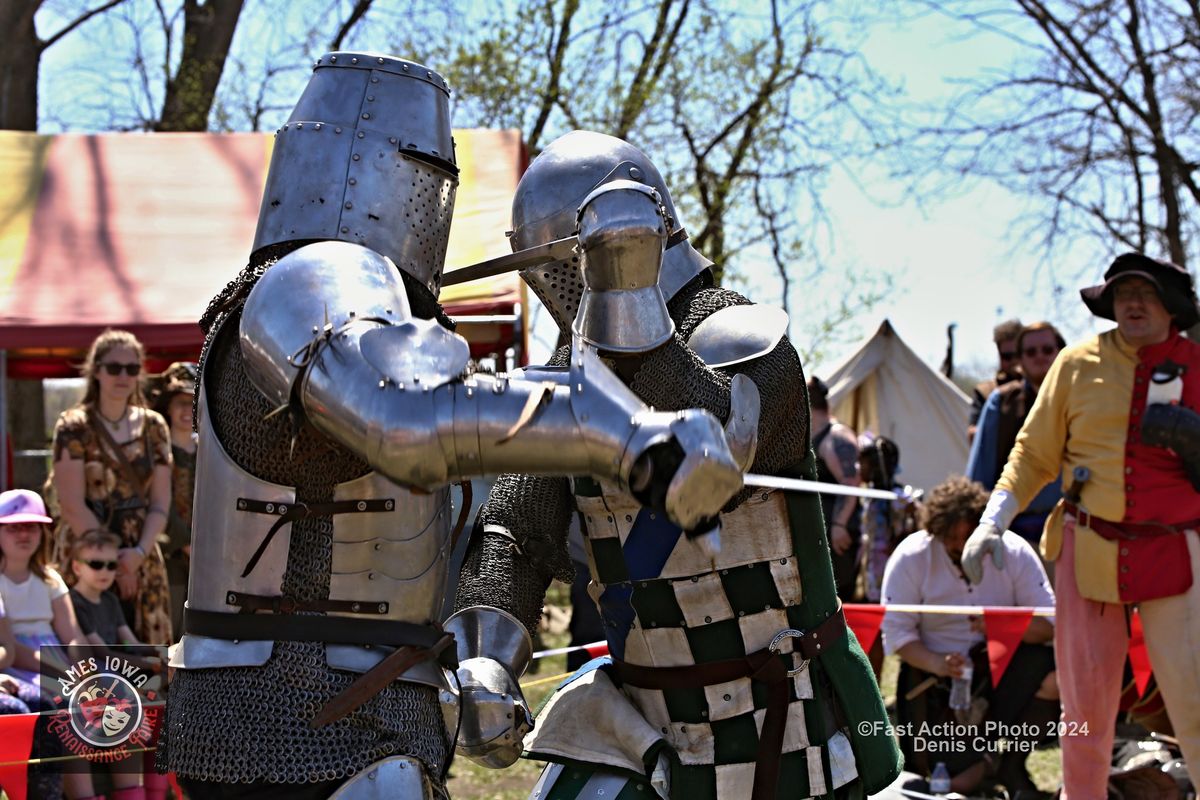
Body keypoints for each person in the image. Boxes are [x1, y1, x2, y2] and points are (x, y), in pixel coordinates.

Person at [161, 55, 740, 799]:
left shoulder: (322, 311)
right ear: (369, 167)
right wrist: (626, 432)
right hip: (309, 733)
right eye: (427, 176)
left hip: (341, 728)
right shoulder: (313, 282)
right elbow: (406, 421)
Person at [455, 130, 901, 799]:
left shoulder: (741, 341)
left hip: (783, 715)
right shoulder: (565, 384)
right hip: (645, 726)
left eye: (567, 264)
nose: (558, 288)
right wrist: (486, 655)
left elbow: (710, 468)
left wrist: (626, 300)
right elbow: (515, 536)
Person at [963, 252, 1200, 797]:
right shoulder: (1075, 364)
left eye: (1145, 293)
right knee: (1085, 711)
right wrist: (991, 522)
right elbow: (1032, 453)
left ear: (1171, 305)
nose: (1133, 303)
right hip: (1088, 548)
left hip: (1175, 556)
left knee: (1192, 704)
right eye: (1122, 294)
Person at [882, 477, 1058, 796]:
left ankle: (1012, 764)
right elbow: (896, 635)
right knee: (954, 782)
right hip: (935, 683)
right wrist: (938, 663)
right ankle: (986, 762)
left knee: (1056, 677)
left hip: (1002, 671)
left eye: (969, 536)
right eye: (952, 538)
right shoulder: (911, 556)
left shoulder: (1013, 551)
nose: (962, 546)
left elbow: (1049, 626)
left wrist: (999, 628)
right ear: (936, 531)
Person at [51, 329, 173, 646]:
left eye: (132, 369)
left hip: (140, 551)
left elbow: (160, 504)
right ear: (96, 370)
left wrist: (137, 555)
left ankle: (150, 698)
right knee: (81, 659)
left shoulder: (155, 427)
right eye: (114, 367)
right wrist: (112, 563)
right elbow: (71, 504)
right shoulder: (74, 425)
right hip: (86, 550)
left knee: (147, 665)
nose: (123, 376)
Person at [0, 489, 91, 799]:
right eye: (13, 527)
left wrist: (80, 667)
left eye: (31, 526)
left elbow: (72, 634)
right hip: (18, 663)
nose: (23, 534)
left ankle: (88, 794)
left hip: (54, 661)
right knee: (60, 704)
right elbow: (8, 646)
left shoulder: (51, 579)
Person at [68, 529, 164, 800]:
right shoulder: (74, 602)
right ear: (77, 566)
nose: (105, 571)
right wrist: (152, 664)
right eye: (96, 564)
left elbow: (131, 641)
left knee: (164, 705)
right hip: (97, 679)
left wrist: (164, 654)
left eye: (112, 565)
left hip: (119, 675)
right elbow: (101, 652)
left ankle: (155, 791)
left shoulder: (110, 600)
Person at [966, 322, 1066, 545]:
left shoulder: (1082, 399)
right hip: (1015, 533)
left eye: (1047, 350)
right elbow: (979, 475)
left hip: (1073, 532)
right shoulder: (1002, 403)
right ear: (1020, 359)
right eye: (1031, 352)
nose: (1039, 356)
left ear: (1061, 352)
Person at [147, 362, 197, 637]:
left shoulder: (210, 450)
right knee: (167, 628)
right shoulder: (156, 451)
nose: (185, 410)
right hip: (168, 557)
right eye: (179, 402)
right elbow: (157, 503)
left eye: (192, 402)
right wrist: (186, 543)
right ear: (167, 406)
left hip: (209, 561)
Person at [808, 376, 863, 602]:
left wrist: (839, 525)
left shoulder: (836, 436)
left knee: (841, 597)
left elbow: (851, 483)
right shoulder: (812, 434)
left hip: (839, 533)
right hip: (822, 532)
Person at [969, 319, 1023, 442]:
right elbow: (973, 434)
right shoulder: (986, 391)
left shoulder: (1042, 386)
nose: (1014, 361)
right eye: (1007, 356)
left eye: (1017, 354)